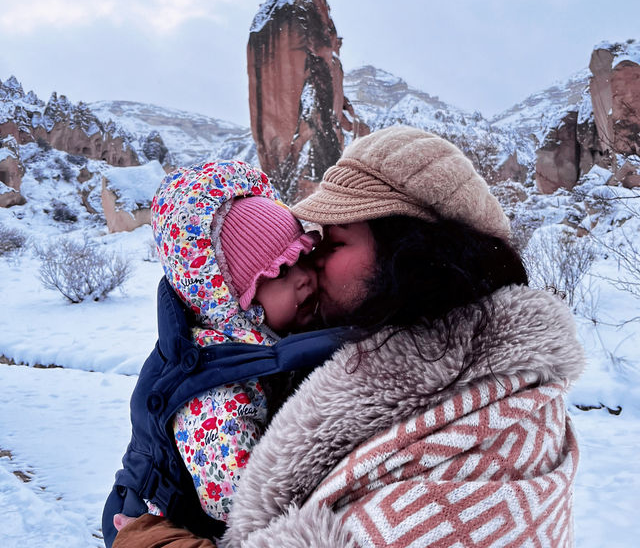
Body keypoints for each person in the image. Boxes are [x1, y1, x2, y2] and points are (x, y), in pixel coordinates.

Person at [112, 126, 585, 548]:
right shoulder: (383, 360)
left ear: (414, 259)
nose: (310, 264)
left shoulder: (491, 438)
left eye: (331, 244)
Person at [103, 159, 338, 547]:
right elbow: (239, 502)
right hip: (161, 525)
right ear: (233, 303)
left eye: (302, 256)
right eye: (278, 272)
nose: (303, 277)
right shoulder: (214, 395)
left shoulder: (264, 339)